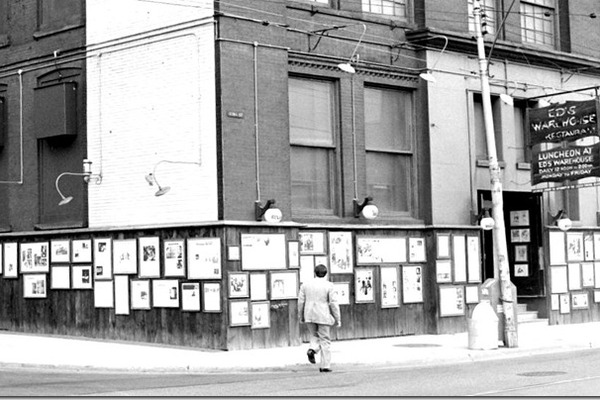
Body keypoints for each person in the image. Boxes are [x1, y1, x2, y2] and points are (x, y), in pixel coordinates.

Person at [298, 264, 341, 373]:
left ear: (315, 272)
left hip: (309, 314)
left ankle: (312, 349)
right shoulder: (329, 285)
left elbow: (300, 302)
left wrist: (301, 315)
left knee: (314, 335)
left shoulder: (305, 285)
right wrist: (338, 318)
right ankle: (325, 365)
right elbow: (333, 303)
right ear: (326, 273)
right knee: (325, 339)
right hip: (323, 314)